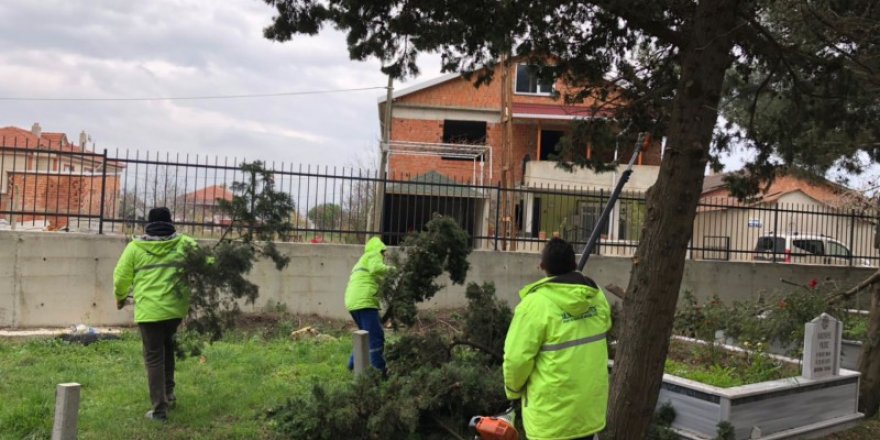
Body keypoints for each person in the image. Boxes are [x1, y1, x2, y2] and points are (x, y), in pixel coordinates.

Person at [503, 238, 612, 440]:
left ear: (542, 266)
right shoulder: (596, 298)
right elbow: (605, 325)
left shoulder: (534, 306)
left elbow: (516, 359)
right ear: (574, 264)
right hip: (588, 415)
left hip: (551, 419)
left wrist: (513, 391)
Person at [113, 207, 196, 422]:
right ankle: (169, 393)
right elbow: (207, 263)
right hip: (175, 310)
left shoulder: (135, 248)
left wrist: (120, 297)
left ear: (148, 225)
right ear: (170, 223)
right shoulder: (185, 243)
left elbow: (121, 278)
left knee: (154, 356)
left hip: (150, 312)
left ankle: (159, 411)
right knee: (167, 347)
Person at [344, 236, 390, 373]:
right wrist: (394, 269)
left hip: (353, 302)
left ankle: (352, 364)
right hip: (365, 301)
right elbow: (376, 268)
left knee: (365, 335)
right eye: (383, 252)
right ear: (379, 249)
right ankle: (379, 371)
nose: (383, 256)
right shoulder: (373, 254)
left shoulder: (361, 261)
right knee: (376, 337)